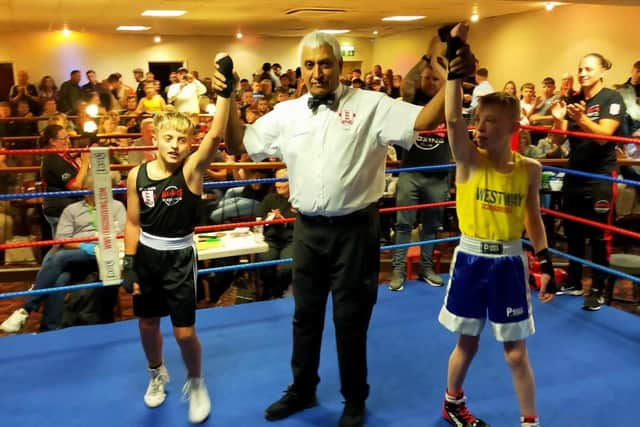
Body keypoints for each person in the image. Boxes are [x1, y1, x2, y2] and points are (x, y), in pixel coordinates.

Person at [214, 28, 474, 427]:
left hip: (355, 230)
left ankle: (354, 398)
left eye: (325, 63)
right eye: (310, 64)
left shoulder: (372, 104)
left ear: (339, 66)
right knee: (305, 315)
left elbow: (425, 118)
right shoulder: (288, 112)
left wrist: (454, 77)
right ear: (301, 69)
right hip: (307, 229)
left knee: (351, 319)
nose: (317, 72)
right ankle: (302, 389)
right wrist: (226, 95)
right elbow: (236, 143)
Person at [439, 24, 555, 427]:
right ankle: (452, 401)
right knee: (466, 342)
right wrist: (455, 71)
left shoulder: (530, 170)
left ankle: (530, 421)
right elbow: (452, 120)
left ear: (512, 128)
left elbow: (533, 219)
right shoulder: (468, 162)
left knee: (516, 352)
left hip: (509, 264)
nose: (480, 127)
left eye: (490, 122)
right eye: (479, 120)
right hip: (471, 258)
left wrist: (546, 265)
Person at [121, 53, 233, 424]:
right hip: (148, 256)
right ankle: (157, 373)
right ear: (155, 139)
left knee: (184, 333)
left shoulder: (192, 170)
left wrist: (226, 94)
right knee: (147, 324)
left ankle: (196, 382)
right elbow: (134, 222)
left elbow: (216, 134)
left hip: (181, 258)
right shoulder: (137, 175)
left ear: (188, 143)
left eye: (181, 139)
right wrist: (129, 262)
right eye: (168, 137)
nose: (174, 144)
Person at [0, 173, 126, 333]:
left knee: (59, 257)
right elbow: (64, 240)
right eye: (95, 188)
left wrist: (101, 244)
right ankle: (49, 329)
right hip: (79, 254)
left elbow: (122, 234)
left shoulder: (116, 207)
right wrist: (84, 246)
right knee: (59, 279)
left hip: (106, 252)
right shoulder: (71, 210)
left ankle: (26, 309)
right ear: (86, 190)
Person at [549, 53, 626, 310]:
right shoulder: (573, 100)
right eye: (580, 68)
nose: (582, 73)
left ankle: (597, 288)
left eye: (588, 69)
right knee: (572, 231)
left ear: (602, 71)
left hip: (600, 176)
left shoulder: (611, 99)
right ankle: (572, 280)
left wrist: (580, 119)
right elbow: (555, 142)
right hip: (576, 174)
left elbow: (604, 136)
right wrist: (558, 118)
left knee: (599, 235)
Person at [389, 50, 452, 291]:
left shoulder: (448, 104)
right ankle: (398, 271)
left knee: (432, 225)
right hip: (411, 172)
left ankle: (426, 268)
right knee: (403, 224)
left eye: (435, 79)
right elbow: (407, 83)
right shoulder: (412, 101)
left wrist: (439, 67)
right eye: (427, 78)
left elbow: (452, 86)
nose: (431, 82)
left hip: (438, 174)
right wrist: (425, 61)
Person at [40, 124, 90, 235]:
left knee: (63, 245)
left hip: (67, 206)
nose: (67, 141)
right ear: (52, 141)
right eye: (64, 139)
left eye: (68, 137)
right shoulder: (53, 159)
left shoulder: (62, 156)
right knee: (64, 245)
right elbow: (75, 186)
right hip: (61, 208)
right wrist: (85, 163)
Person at [255, 168, 296, 300]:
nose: (277, 184)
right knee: (265, 263)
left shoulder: (299, 199)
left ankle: (277, 292)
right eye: (276, 180)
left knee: (287, 268)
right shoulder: (270, 198)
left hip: (292, 239)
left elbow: (304, 223)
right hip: (271, 238)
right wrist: (269, 219)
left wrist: (284, 222)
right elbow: (258, 219)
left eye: (282, 181)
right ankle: (268, 291)